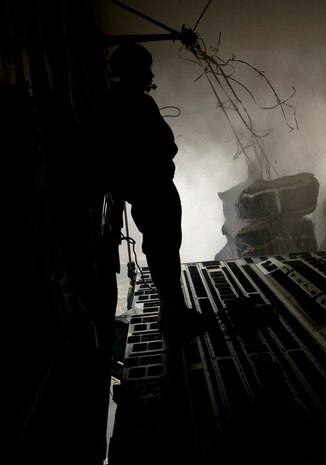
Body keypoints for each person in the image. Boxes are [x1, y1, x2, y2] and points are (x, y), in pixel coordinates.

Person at [96, 42, 206, 333]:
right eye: (146, 69)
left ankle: (168, 310)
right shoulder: (138, 103)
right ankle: (175, 313)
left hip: (140, 192)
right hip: (154, 189)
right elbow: (166, 144)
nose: (150, 76)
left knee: (160, 249)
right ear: (133, 71)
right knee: (166, 250)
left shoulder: (110, 102)